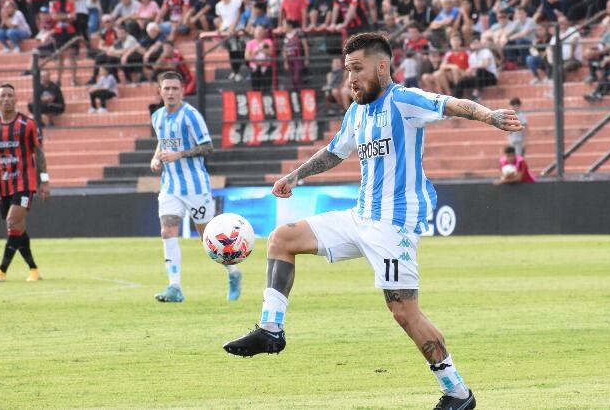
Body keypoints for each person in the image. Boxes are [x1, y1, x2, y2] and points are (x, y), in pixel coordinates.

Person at [222, 32, 523, 410]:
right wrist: (295, 176)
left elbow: (451, 104)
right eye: (347, 70)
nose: (350, 78)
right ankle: (271, 330)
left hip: (393, 225)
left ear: (382, 67)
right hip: (359, 216)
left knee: (403, 312)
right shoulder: (357, 112)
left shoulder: (404, 101)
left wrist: (489, 116)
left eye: (357, 69)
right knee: (282, 239)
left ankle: (458, 393)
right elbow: (335, 152)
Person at [149, 71, 242, 302]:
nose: (170, 93)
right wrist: (156, 157)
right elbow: (162, 140)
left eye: (175, 89)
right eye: (166, 88)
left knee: (208, 239)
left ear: (182, 91)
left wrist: (178, 154)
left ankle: (233, 272)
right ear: (159, 91)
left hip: (195, 186)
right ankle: (175, 287)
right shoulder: (157, 116)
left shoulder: (191, 116)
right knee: (166, 231)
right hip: (170, 186)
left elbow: (208, 146)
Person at [0, 84, 50, 283]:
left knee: (11, 221)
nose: (7, 99)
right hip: (5, 183)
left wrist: (44, 181)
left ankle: (1, 270)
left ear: (16, 100)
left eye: (10, 96)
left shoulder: (28, 124)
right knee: (17, 228)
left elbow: (39, 153)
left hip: (25, 182)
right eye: (3, 96)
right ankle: (33, 269)